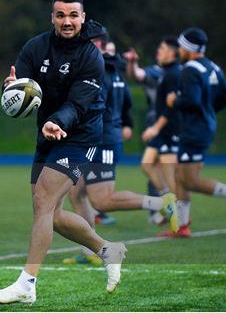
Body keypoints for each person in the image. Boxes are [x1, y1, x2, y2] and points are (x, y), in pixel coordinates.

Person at [0, 0, 127, 304]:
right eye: (60, 15)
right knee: (52, 214)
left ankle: (26, 284)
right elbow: (21, 82)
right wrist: (10, 87)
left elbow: (77, 105)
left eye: (73, 15)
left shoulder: (91, 57)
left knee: (43, 198)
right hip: (47, 133)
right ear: (52, 17)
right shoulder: (36, 46)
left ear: (83, 18)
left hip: (81, 135)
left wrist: (58, 121)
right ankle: (108, 250)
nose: (67, 21)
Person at [62, 29, 178, 266]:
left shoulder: (100, 69)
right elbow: (125, 100)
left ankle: (162, 203)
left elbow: (91, 105)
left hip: (101, 139)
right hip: (99, 138)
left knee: (102, 201)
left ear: (95, 44)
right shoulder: (112, 67)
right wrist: (125, 123)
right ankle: (91, 250)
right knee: (75, 191)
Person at [163, 27, 226, 237]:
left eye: (181, 46)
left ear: (188, 48)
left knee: (189, 180)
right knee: (179, 176)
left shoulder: (189, 69)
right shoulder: (212, 66)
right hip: (201, 127)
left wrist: (173, 100)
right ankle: (182, 226)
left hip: (194, 130)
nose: (178, 50)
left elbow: (191, 100)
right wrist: (209, 110)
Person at [123, 44, 167, 224]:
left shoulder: (182, 72)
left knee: (161, 167)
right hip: (157, 125)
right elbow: (136, 74)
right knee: (152, 166)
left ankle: (167, 208)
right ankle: (160, 210)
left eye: (162, 48)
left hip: (176, 125)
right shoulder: (155, 72)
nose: (158, 51)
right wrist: (132, 63)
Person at [140, 37, 182, 199]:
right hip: (162, 130)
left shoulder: (174, 74)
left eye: (162, 48)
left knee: (171, 177)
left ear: (172, 53)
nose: (158, 51)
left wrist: (155, 128)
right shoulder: (165, 72)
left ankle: (182, 220)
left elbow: (170, 108)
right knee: (147, 164)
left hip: (170, 130)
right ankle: (168, 200)